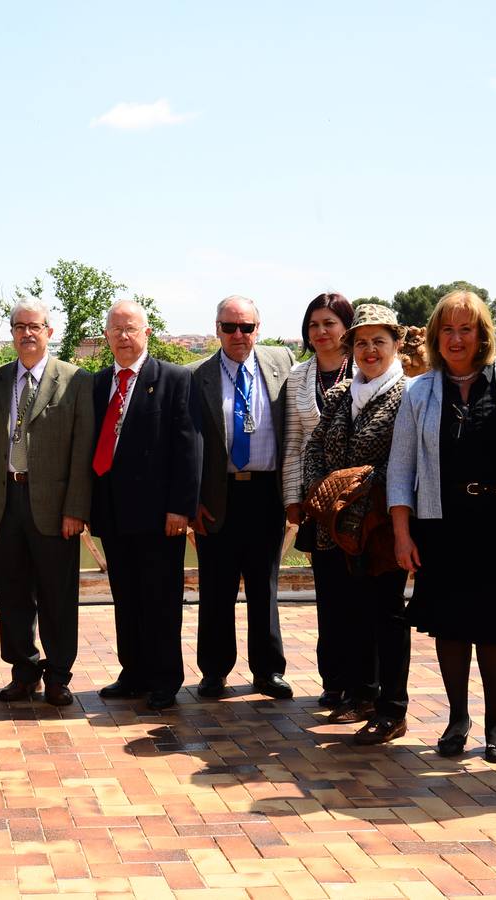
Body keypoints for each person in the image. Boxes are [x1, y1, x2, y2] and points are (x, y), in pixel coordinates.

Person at [388, 291, 496, 763]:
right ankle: (457, 718)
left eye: (466, 329)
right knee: (450, 627)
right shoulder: (419, 392)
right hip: (442, 523)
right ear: (435, 337)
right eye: (447, 330)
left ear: (482, 334)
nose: (456, 338)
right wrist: (402, 531)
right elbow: (400, 467)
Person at [301, 302, 409, 745]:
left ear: (395, 344)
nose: (369, 350)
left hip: (380, 525)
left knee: (386, 614)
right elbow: (314, 447)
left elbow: (404, 460)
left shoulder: (410, 394)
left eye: (378, 342)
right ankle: (362, 694)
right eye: (361, 342)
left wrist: (356, 483)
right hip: (336, 524)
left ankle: (392, 708)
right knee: (351, 612)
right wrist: (318, 493)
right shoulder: (341, 394)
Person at [89, 300, 201, 711]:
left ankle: (164, 678)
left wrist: (180, 507)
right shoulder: (98, 383)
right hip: (114, 512)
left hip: (159, 516)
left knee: (161, 599)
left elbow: (188, 447)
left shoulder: (174, 379)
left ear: (146, 333)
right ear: (106, 336)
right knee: (127, 597)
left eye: (131, 328)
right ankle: (132, 672)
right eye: (115, 329)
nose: (123, 336)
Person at [0, 298, 93, 707]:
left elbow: (82, 450)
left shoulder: (75, 380)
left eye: (36, 326)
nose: (27, 334)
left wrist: (76, 508)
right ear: (11, 332)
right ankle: (23, 670)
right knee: (11, 593)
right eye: (20, 326)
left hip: (55, 506)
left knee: (57, 595)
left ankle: (58, 675)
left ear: (50, 331)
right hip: (5, 502)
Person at [191, 296, 294, 701]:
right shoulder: (196, 376)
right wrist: (191, 500)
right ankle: (214, 672)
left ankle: (268, 671)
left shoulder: (283, 364)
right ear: (216, 329)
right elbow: (189, 446)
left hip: (266, 492)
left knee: (263, 586)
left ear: (258, 328)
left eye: (246, 327)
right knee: (215, 587)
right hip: (218, 495)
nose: (238, 335)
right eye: (229, 327)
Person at [282, 293, 354, 709]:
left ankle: (366, 681)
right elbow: (293, 442)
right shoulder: (298, 376)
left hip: (361, 500)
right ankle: (334, 678)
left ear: (346, 326)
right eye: (313, 325)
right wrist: (294, 500)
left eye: (329, 323)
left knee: (360, 591)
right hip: (316, 501)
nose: (321, 332)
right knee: (328, 592)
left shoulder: (365, 368)